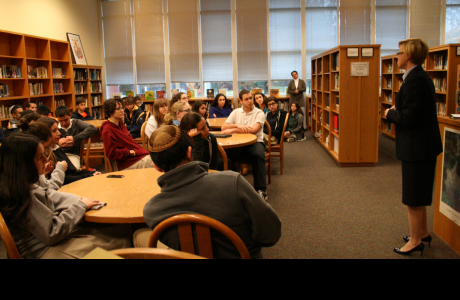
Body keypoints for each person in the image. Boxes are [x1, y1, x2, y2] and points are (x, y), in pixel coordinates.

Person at [139, 125, 281, 259]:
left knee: (139, 235)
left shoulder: (152, 211)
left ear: (156, 166)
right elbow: (270, 233)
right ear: (189, 153)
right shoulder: (232, 182)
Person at [0, 133, 131, 259]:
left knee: (112, 235)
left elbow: (47, 197)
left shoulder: (15, 185)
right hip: (45, 250)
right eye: (40, 157)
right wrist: (80, 206)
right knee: (117, 244)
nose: (46, 160)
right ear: (24, 165)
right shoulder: (26, 194)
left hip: (45, 242)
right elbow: (52, 232)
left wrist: (40, 174)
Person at [385, 38, 443, 256]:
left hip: (418, 148)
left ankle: (416, 241)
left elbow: (409, 119)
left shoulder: (416, 80)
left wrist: (390, 113)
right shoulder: (418, 77)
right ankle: (423, 232)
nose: (397, 56)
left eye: (399, 53)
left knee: (412, 196)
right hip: (422, 147)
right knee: (419, 194)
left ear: (408, 55)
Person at [221, 90, 268, 201]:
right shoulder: (236, 112)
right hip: (238, 142)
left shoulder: (259, 113)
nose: (250, 101)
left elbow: (254, 130)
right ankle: (233, 186)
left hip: (256, 142)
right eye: (246, 99)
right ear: (241, 101)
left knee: (258, 155)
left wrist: (233, 129)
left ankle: (261, 190)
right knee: (224, 155)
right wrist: (237, 125)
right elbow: (223, 128)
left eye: (251, 98)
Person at [35, 117, 101, 185]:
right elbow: (64, 179)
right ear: (45, 134)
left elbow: (73, 172)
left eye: (57, 129)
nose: (59, 133)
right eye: (54, 131)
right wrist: (88, 176)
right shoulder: (47, 155)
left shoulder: (56, 148)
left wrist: (91, 173)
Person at [101, 98, 154, 170]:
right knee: (159, 163)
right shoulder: (107, 130)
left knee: (162, 159)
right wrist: (130, 152)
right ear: (110, 111)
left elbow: (130, 143)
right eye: (118, 109)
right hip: (129, 163)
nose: (122, 110)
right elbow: (112, 154)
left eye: (122, 108)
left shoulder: (121, 124)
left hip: (136, 157)